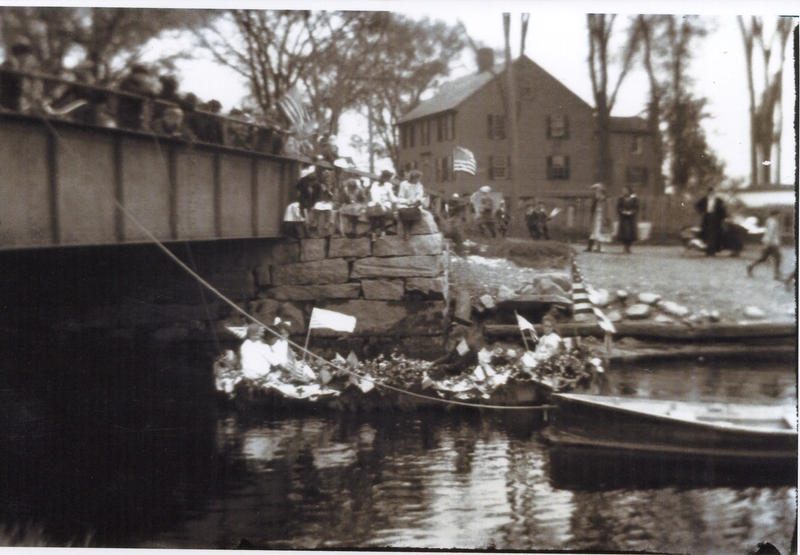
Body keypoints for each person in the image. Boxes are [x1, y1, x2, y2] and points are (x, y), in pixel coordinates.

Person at [0, 37, 44, 114]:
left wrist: (35, 100)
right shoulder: (9, 64)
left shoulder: (33, 65)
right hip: (10, 103)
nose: (21, 55)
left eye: (24, 50)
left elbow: (37, 86)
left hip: (27, 104)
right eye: (18, 50)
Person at [118, 64, 160, 130]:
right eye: (141, 74)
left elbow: (154, 94)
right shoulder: (127, 81)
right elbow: (135, 91)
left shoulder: (144, 84)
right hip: (125, 111)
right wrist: (148, 91)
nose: (143, 76)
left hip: (137, 112)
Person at [747, 209, 783, 280]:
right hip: (772, 243)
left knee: (763, 258)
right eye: (779, 214)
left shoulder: (770, 221)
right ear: (776, 214)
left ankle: (751, 266)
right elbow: (770, 233)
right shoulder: (773, 222)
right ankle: (777, 275)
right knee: (778, 258)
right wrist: (768, 243)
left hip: (770, 242)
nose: (779, 216)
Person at [695, 185, 727, 256]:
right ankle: (707, 250)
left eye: (712, 192)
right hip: (707, 217)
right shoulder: (705, 199)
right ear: (708, 192)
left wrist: (722, 217)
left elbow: (722, 209)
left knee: (715, 235)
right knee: (706, 233)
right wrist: (702, 211)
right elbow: (697, 205)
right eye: (710, 192)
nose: (711, 193)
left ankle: (713, 250)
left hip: (715, 218)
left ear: (714, 192)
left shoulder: (718, 200)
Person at [367, 170, 397, 241]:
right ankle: (374, 233)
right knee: (375, 212)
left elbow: (391, 196)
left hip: (385, 203)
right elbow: (374, 196)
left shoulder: (388, 185)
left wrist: (396, 201)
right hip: (376, 203)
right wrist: (379, 203)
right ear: (384, 177)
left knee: (382, 212)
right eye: (388, 178)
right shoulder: (375, 184)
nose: (389, 179)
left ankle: (382, 232)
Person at [397, 169, 425, 239]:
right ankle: (406, 230)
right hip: (404, 203)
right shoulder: (403, 184)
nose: (417, 180)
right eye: (416, 179)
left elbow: (419, 195)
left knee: (414, 212)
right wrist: (407, 202)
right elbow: (400, 196)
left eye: (418, 179)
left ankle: (409, 230)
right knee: (404, 212)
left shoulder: (419, 185)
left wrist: (416, 200)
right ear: (412, 178)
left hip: (414, 204)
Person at [586, 183, 611, 252]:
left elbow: (608, 210)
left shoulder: (606, 200)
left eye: (598, 192)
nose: (597, 194)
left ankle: (602, 247)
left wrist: (607, 218)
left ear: (602, 193)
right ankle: (596, 246)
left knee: (602, 233)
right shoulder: (598, 201)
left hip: (603, 218)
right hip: (597, 217)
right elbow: (595, 208)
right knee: (596, 232)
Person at [615, 185, 639, 254]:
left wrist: (632, 212)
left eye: (626, 190)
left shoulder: (634, 198)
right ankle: (625, 247)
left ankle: (628, 247)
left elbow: (636, 207)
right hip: (623, 218)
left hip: (631, 219)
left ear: (629, 191)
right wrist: (622, 211)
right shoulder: (621, 198)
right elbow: (618, 207)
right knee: (624, 234)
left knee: (630, 234)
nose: (624, 191)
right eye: (623, 190)